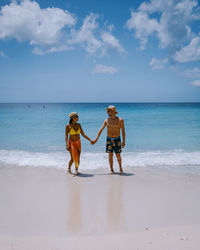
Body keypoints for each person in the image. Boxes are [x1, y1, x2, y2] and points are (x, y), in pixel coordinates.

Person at [92, 105, 125, 174]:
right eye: (107, 111)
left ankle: (120, 167)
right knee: (110, 155)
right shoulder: (107, 120)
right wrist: (96, 139)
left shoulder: (120, 120)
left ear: (113, 112)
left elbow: (123, 131)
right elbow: (101, 129)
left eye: (108, 111)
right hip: (109, 139)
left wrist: (124, 141)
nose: (107, 112)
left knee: (118, 155)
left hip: (117, 139)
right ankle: (111, 169)